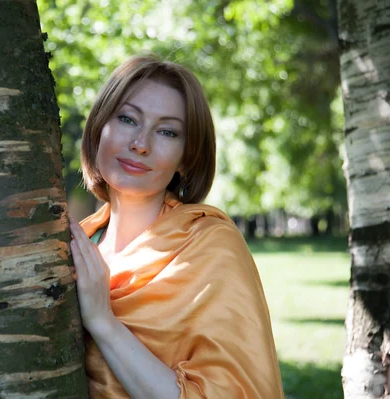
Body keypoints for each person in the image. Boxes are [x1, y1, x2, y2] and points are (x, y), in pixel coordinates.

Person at [68, 55, 284, 399]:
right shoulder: (76, 241)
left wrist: (103, 322)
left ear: (187, 156)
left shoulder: (211, 246)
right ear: (98, 129)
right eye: (127, 119)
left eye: (167, 131)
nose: (141, 143)